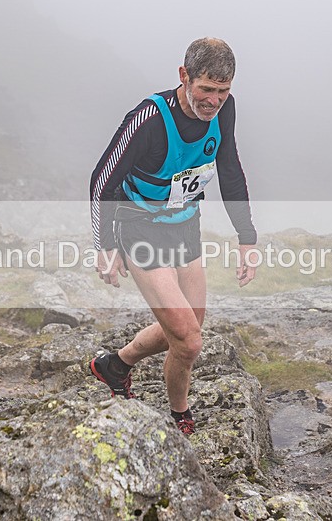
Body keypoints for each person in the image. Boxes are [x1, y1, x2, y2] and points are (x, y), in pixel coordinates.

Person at [88, 37, 257, 435]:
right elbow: (101, 183)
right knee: (189, 341)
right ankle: (180, 416)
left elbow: (229, 167)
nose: (214, 101)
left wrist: (246, 238)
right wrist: (106, 246)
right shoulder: (148, 119)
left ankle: (115, 365)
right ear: (184, 76)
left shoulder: (224, 110)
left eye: (223, 91)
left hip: (184, 225)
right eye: (206, 89)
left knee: (185, 329)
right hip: (138, 227)